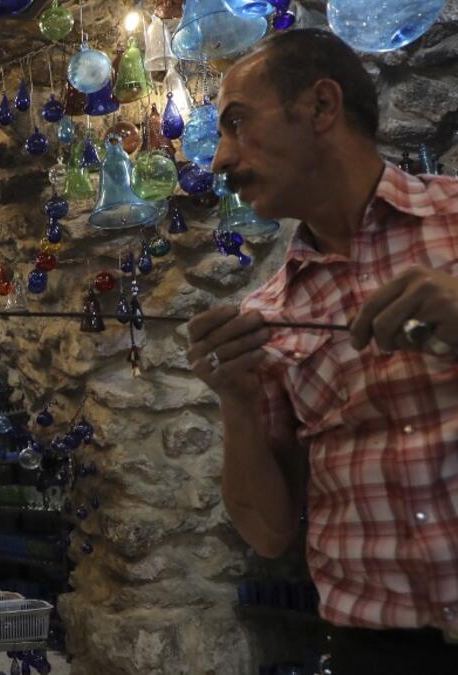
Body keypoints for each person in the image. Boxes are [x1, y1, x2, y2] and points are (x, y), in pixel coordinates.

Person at [186, 28, 458, 674]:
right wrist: (236, 402)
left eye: (237, 124)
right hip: (374, 653)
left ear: (321, 107)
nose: (219, 160)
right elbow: (269, 531)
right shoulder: (265, 315)